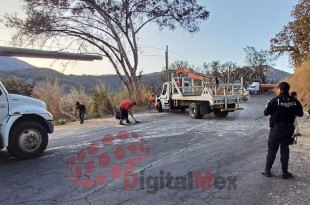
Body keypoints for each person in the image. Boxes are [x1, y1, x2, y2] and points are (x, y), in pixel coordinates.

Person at [262, 82, 303, 179]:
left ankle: (267, 170)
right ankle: (285, 173)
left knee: (272, 150)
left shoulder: (274, 100)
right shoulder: (294, 101)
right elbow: (301, 114)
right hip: (288, 129)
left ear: (280, 90)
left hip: (276, 129)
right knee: (285, 149)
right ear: (288, 90)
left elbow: (265, 113)